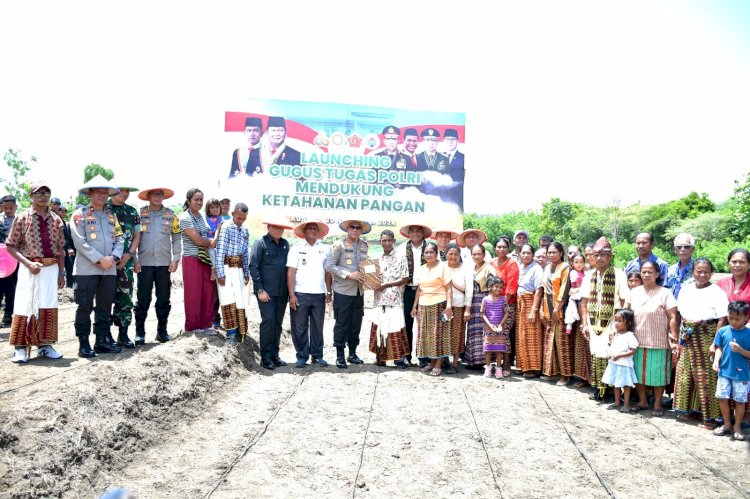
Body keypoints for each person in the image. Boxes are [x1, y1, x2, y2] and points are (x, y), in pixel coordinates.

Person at [6, 182, 66, 363]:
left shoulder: (56, 219)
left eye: (46, 193)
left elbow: (61, 249)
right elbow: (10, 245)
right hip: (28, 269)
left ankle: (45, 346)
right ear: (31, 196)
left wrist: (61, 273)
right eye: (38, 193)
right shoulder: (22, 218)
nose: (43, 196)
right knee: (25, 306)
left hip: (51, 269)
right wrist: (28, 263)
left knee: (48, 305)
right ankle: (20, 349)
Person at [70, 176, 125, 357]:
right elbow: (79, 242)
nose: (102, 195)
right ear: (90, 193)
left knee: (104, 307)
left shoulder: (111, 215)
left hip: (109, 270)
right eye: (98, 191)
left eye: (105, 192)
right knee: (84, 307)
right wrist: (99, 259)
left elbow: (120, 238)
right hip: (87, 270)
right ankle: (84, 344)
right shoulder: (80, 214)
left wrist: (114, 257)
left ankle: (101, 340)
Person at [675, 258, 729, 429]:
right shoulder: (686, 289)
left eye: (706, 271)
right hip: (687, 335)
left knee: (706, 377)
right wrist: (677, 338)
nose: (703, 274)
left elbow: (722, 318)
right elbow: (679, 313)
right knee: (686, 374)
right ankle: (690, 410)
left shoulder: (717, 292)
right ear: (693, 272)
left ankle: (710, 418)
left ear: (711, 273)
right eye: (699, 271)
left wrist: (715, 342)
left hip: (707, 334)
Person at [580, 237, 630, 400]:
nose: (600, 258)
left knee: (612, 353)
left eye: (604, 255)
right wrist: (584, 324)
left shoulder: (619, 274)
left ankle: (612, 391)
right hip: (593, 320)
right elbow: (584, 301)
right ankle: (599, 389)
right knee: (596, 353)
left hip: (612, 321)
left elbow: (625, 301)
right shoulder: (589, 276)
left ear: (610, 257)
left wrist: (618, 326)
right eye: (597, 255)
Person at [627, 260, 679, 416]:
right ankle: (642, 401)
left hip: (659, 340)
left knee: (658, 374)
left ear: (657, 274)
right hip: (637, 340)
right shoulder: (634, 292)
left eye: (650, 272)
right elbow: (625, 312)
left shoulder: (665, 293)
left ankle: (657, 404)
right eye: (644, 271)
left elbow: (672, 317)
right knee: (639, 373)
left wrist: (674, 336)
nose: (646, 274)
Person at [133, 187, 181, 345]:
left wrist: (175, 259)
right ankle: (140, 333)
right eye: (154, 194)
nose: (157, 197)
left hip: (164, 264)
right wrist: (135, 259)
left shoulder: (171, 215)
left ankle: (162, 331)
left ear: (163, 197)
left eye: (160, 194)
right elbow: (134, 238)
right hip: (144, 263)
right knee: (143, 299)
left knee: (163, 299)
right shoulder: (140, 214)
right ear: (148, 197)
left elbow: (176, 237)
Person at [325, 219, 370, 369]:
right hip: (343, 290)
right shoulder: (338, 245)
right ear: (347, 229)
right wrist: (348, 274)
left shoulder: (364, 245)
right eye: (352, 227)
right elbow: (329, 266)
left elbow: (366, 267)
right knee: (342, 323)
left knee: (356, 323)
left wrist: (372, 278)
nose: (355, 230)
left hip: (359, 291)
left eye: (358, 227)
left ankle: (352, 353)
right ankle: (339, 355)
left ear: (362, 230)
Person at [287, 220, 331, 367]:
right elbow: (291, 273)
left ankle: (317, 356)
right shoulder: (296, 248)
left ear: (319, 233)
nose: (312, 230)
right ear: (304, 232)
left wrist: (328, 291)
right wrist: (292, 295)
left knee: (318, 326)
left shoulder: (325, 249)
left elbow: (327, 272)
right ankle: (301, 356)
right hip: (300, 293)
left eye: (315, 229)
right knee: (299, 327)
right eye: (309, 228)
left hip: (319, 294)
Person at [250, 218, 292, 370]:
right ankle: (265, 357)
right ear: (268, 227)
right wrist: (260, 289)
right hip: (265, 292)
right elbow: (253, 267)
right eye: (275, 227)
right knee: (268, 321)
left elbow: (289, 268)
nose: (279, 230)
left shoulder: (285, 244)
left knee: (277, 323)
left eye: (281, 228)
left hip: (282, 292)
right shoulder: (260, 243)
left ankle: (275, 354)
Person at [106, 183, 141, 349]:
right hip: (106, 262)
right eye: (122, 190)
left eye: (128, 190)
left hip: (126, 262)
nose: (125, 194)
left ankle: (123, 334)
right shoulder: (104, 209)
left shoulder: (132, 211)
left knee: (125, 299)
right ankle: (105, 335)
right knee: (105, 299)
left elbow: (137, 235)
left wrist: (129, 255)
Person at [368, 229, 410, 368]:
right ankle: (381, 358)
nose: (386, 242)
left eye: (389, 240)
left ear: (394, 241)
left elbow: (405, 278)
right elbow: (370, 278)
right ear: (380, 241)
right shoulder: (376, 258)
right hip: (379, 300)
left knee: (396, 328)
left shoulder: (400, 257)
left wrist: (387, 284)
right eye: (384, 240)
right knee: (380, 327)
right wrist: (370, 283)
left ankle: (399, 359)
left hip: (395, 300)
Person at [411, 241, 452, 377]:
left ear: (436, 254)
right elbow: (419, 289)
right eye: (426, 252)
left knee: (437, 335)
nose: (428, 254)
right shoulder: (422, 268)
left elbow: (449, 289)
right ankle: (431, 362)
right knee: (426, 336)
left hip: (439, 304)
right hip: (423, 305)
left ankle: (438, 364)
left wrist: (449, 307)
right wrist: (414, 306)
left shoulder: (443, 267)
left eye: (431, 252)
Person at [179, 188, 216, 335]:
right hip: (192, 259)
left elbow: (204, 238)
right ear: (189, 201)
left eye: (201, 199)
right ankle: (193, 327)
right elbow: (198, 240)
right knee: (193, 294)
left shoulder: (201, 216)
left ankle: (206, 325)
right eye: (196, 199)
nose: (199, 202)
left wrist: (209, 242)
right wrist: (213, 242)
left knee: (208, 292)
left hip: (205, 259)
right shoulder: (184, 217)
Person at [712, 300, 750, 441]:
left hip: (742, 375)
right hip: (724, 372)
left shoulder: (748, 333)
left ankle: (737, 426)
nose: (733, 321)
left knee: (740, 401)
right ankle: (727, 423)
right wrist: (716, 361)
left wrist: (740, 350)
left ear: (746, 318)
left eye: (737, 318)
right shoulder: (723, 331)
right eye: (730, 317)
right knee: (722, 398)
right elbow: (719, 348)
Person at [396, 223, 432, 367]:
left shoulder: (430, 247)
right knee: (406, 324)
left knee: (424, 325)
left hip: (426, 291)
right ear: (408, 234)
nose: (416, 234)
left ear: (423, 233)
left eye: (418, 231)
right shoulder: (401, 249)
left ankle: (424, 357)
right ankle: (406, 355)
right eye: (413, 231)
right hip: (407, 290)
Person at [215, 203, 251, 346]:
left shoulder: (245, 230)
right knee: (227, 299)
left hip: (240, 269)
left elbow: (245, 253)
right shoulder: (225, 227)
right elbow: (220, 251)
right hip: (226, 268)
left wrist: (247, 272)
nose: (240, 221)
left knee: (240, 299)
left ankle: (241, 331)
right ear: (233, 213)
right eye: (238, 217)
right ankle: (230, 333)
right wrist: (220, 273)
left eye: (243, 219)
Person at [539, 242, 573, 386]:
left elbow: (565, 289)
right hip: (547, 307)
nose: (552, 255)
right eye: (549, 252)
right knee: (550, 342)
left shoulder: (565, 268)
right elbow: (544, 289)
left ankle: (565, 375)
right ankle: (552, 372)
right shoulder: (547, 267)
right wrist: (541, 308)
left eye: (554, 252)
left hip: (560, 310)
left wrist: (557, 309)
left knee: (562, 343)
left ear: (561, 253)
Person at [489, 236, 519, 372]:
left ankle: (506, 365)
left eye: (504, 247)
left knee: (504, 334)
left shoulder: (512, 264)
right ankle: (496, 365)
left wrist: (502, 306)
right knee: (493, 334)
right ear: (495, 248)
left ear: (509, 249)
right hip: (492, 304)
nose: (501, 249)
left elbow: (511, 288)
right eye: (499, 247)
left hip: (507, 305)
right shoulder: (491, 263)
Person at [515, 244, 544, 378]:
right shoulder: (521, 267)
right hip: (520, 302)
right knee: (522, 335)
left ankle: (533, 368)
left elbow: (539, 290)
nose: (526, 255)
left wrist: (534, 310)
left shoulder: (536, 268)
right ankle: (523, 365)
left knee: (531, 336)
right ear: (520, 254)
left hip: (530, 302)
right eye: (523, 253)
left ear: (532, 255)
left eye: (528, 253)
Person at [602, 309, 639, 412]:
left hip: (624, 364)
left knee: (626, 385)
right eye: (616, 320)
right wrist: (610, 352)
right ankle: (617, 402)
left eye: (620, 321)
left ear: (628, 323)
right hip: (614, 363)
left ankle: (626, 404)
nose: (616, 323)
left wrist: (620, 355)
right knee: (616, 384)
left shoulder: (629, 336)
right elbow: (610, 345)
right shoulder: (615, 334)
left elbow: (633, 350)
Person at [464, 244, 494, 368]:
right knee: (472, 331)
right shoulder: (472, 268)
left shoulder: (489, 268)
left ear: (484, 254)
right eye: (474, 254)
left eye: (479, 254)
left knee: (483, 331)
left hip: (484, 301)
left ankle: (484, 362)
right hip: (473, 302)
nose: (476, 256)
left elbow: (493, 288)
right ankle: (473, 361)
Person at [445, 243, 472, 372]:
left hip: (459, 307)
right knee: (444, 334)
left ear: (459, 255)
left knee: (457, 335)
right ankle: (444, 361)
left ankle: (455, 363)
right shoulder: (442, 267)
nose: (453, 256)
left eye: (456, 254)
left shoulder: (466, 268)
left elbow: (469, 290)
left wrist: (467, 309)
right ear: (446, 255)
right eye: (450, 254)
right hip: (443, 306)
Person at [482, 275, 512, 378]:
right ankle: (488, 369)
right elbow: (482, 313)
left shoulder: (503, 299)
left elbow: (506, 313)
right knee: (488, 350)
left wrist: (500, 324)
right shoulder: (485, 299)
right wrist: (490, 325)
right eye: (496, 286)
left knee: (500, 350)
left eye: (500, 287)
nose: (498, 289)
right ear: (490, 287)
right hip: (488, 328)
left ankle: (499, 370)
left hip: (500, 329)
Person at [205, 198, 223, 328]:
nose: (215, 209)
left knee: (213, 253)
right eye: (212, 207)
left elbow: (218, 230)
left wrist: (215, 239)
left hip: (215, 243)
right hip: (206, 242)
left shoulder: (220, 219)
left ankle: (213, 269)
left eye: (217, 207)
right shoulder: (204, 218)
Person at [0, 195, 18, 326]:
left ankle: (8, 316)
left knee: (12, 288)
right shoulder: (0, 220)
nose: (7, 210)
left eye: (10, 208)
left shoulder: (21, 220)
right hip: (1, 260)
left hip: (16, 260)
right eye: (5, 208)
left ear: (15, 207)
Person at [666, 233, 696, 298]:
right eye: (679, 247)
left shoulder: (698, 269)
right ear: (675, 249)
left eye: (686, 247)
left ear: (693, 249)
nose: (682, 249)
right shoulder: (670, 269)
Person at [564, 254, 586, 335]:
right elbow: (575, 284)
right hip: (577, 292)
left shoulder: (584, 273)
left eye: (581, 262)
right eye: (576, 262)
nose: (579, 264)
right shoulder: (573, 272)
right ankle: (571, 325)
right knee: (575, 306)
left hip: (582, 292)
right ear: (572, 264)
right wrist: (580, 289)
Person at [59, 206, 76, 288]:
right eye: (61, 210)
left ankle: (69, 285)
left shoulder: (65, 223)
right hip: (58, 248)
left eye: (65, 211)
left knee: (69, 266)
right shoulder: (55, 221)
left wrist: (69, 247)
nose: (63, 212)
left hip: (66, 247)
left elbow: (68, 237)